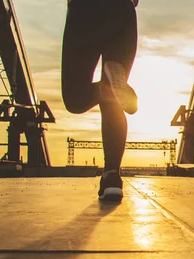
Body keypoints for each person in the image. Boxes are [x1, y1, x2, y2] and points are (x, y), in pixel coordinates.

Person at [61, 0, 139, 202]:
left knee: (75, 99)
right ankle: (112, 177)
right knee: (112, 99)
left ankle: (103, 88)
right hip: (123, 11)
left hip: (84, 11)